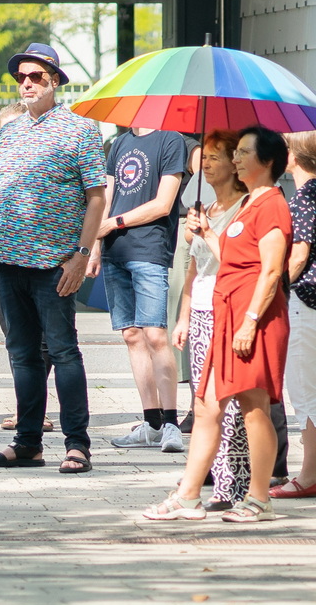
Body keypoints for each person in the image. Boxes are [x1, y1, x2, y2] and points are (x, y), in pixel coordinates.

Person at [143, 125, 291, 523]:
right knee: (206, 406)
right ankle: (188, 495)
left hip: (252, 319)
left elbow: (270, 271)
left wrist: (250, 322)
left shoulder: (271, 204)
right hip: (225, 315)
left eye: (243, 152)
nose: (235, 159)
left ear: (267, 161)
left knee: (253, 408)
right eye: (236, 152)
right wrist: (207, 234)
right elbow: (232, 258)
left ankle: (258, 498)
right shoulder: (247, 205)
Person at [0, 42, 107, 473]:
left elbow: (96, 197)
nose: (27, 83)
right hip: (9, 261)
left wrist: (81, 255)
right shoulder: (9, 132)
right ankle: (28, 443)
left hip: (55, 262)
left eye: (35, 76)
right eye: (21, 77)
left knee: (64, 351)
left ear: (55, 81)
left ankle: (77, 445)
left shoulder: (80, 129)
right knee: (22, 355)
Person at [95, 124, 189, 451]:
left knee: (155, 334)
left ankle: (171, 424)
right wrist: (95, 247)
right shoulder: (120, 143)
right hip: (115, 251)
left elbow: (164, 204)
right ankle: (152, 423)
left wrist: (115, 223)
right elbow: (106, 199)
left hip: (149, 248)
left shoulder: (171, 139)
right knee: (132, 335)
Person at [270, 129, 316, 502]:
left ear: (293, 156)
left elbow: (299, 255)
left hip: (304, 300)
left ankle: (310, 474)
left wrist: (273, 284)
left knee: (304, 391)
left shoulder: (304, 197)